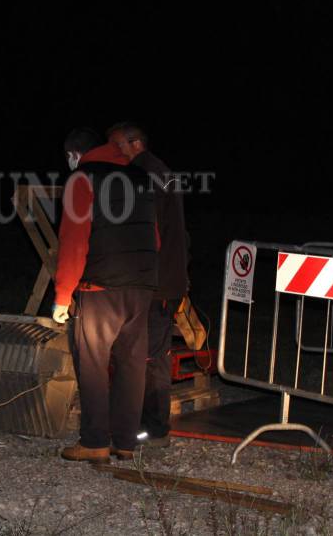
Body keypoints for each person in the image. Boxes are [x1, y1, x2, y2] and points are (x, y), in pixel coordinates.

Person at [52, 128, 158, 463]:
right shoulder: (140, 177)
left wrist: (62, 295)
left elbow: (74, 241)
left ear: (73, 155)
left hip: (100, 288)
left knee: (93, 365)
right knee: (131, 365)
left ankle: (95, 440)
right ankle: (124, 442)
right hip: (141, 286)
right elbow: (154, 236)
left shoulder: (82, 179)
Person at [108, 122, 190, 448]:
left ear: (136, 143)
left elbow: (148, 233)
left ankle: (153, 428)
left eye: (117, 145)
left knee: (150, 356)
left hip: (155, 284)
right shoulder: (162, 172)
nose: (113, 152)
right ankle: (146, 424)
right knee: (149, 353)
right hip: (164, 280)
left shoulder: (144, 176)